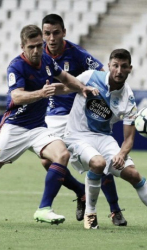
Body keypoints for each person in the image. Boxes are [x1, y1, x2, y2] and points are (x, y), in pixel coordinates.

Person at [0, 25, 98, 226]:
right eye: (32, 47)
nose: (37, 51)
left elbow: (65, 78)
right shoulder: (16, 66)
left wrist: (82, 87)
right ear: (23, 47)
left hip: (38, 127)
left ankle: (44, 208)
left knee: (61, 155)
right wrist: (41, 93)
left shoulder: (47, 60)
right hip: (15, 127)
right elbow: (17, 96)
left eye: (40, 45)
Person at [63, 48, 147, 231]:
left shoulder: (128, 98)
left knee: (134, 174)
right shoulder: (90, 76)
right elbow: (66, 85)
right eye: (115, 66)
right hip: (77, 136)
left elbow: (129, 139)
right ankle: (90, 213)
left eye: (123, 67)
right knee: (98, 163)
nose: (119, 71)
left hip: (103, 138)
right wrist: (44, 91)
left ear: (130, 68)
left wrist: (121, 154)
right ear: (109, 66)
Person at [41, 14, 127, 226]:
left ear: (64, 33)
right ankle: (80, 191)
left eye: (56, 33)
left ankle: (115, 210)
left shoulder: (77, 54)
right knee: (47, 160)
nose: (51, 38)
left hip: (79, 115)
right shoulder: (37, 53)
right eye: (47, 33)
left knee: (96, 163)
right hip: (54, 115)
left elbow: (104, 74)